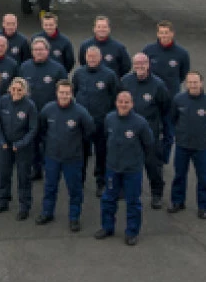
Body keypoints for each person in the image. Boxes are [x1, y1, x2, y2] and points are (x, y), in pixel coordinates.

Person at [100, 90, 156, 245]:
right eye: (120, 101)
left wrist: (137, 160)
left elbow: (149, 143)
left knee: (133, 201)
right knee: (108, 199)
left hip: (132, 170)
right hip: (112, 168)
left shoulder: (140, 123)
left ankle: (132, 232)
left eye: (126, 102)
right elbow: (106, 137)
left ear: (132, 104)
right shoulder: (109, 119)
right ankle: (107, 227)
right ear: (116, 103)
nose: (123, 105)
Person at [36, 80, 94, 230]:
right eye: (61, 92)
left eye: (67, 93)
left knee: (75, 189)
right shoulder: (47, 110)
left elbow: (89, 131)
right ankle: (47, 212)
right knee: (50, 187)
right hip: (52, 157)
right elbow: (41, 130)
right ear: (56, 93)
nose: (64, 95)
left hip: (73, 159)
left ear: (71, 94)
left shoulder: (81, 112)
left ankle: (74, 217)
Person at [120, 53, 172, 209]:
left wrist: (165, 132)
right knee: (126, 162)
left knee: (152, 165)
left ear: (148, 65)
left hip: (150, 133)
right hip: (129, 131)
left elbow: (165, 108)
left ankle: (157, 193)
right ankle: (125, 189)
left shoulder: (158, 85)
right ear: (133, 65)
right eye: (137, 63)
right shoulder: (126, 81)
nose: (140, 66)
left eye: (143, 63)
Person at [168, 72, 206, 218]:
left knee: (203, 178)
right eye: (190, 82)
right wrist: (180, 134)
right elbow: (173, 119)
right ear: (186, 83)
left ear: (201, 83)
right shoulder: (178, 100)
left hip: (201, 147)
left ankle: (203, 207)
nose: (193, 85)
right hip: (182, 145)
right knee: (179, 175)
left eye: (195, 82)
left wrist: (204, 135)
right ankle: (178, 201)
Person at [142, 21, 191, 164]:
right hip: (151, 99)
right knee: (151, 129)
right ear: (157, 34)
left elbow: (183, 74)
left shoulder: (181, 54)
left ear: (172, 33)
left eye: (167, 32)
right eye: (161, 33)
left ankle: (162, 159)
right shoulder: (149, 50)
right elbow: (142, 70)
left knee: (169, 132)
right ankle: (149, 156)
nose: (164, 35)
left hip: (171, 99)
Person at [72, 45, 120, 184]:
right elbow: (75, 92)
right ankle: (80, 179)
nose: (91, 59)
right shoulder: (78, 73)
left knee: (101, 152)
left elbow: (115, 96)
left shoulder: (109, 75)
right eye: (89, 56)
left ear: (100, 57)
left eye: (94, 56)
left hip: (101, 121)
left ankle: (101, 180)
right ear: (85, 57)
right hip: (83, 122)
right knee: (82, 152)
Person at [0, 77, 39, 218]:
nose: (16, 92)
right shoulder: (2, 101)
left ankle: (24, 206)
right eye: (14, 89)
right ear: (9, 89)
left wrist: (20, 144)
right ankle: (2, 201)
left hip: (23, 147)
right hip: (5, 146)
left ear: (25, 91)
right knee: (3, 174)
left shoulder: (30, 106)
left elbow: (33, 129)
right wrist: (2, 142)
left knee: (23, 177)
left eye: (20, 90)